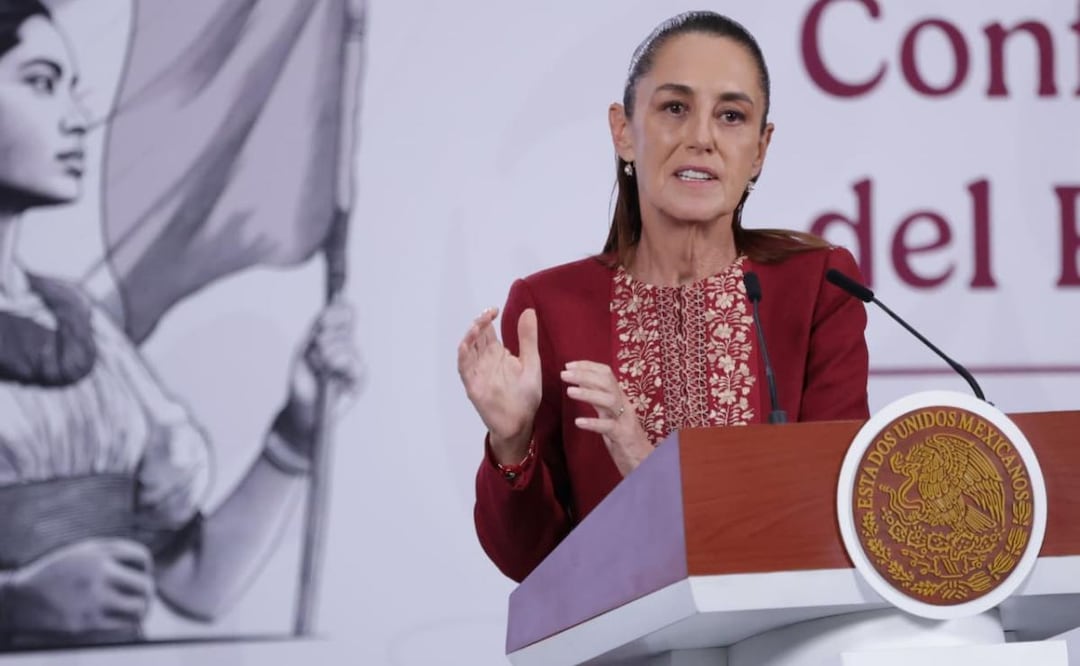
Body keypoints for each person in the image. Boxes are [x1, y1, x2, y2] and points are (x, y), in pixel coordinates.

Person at [457, 11, 870, 583]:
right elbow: (530, 561)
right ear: (624, 131)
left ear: (760, 148)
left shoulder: (817, 284)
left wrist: (642, 457)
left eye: (731, 116)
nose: (701, 137)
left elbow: (837, 511)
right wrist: (511, 442)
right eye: (675, 108)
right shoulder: (549, 308)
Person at [0, 1, 360, 648]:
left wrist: (298, 428)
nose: (79, 119)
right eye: (40, 83)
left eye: (72, 90)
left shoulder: (86, 332)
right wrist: (15, 601)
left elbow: (197, 584)